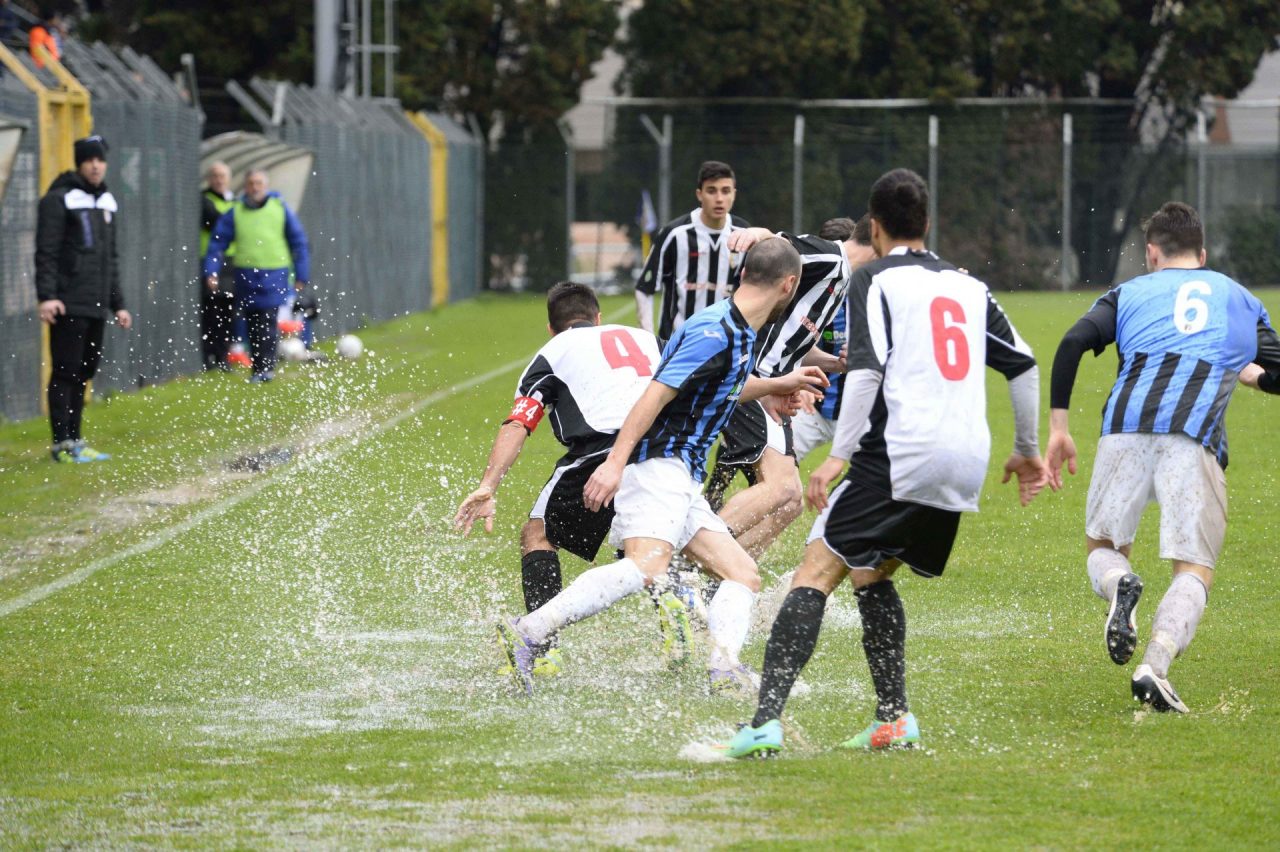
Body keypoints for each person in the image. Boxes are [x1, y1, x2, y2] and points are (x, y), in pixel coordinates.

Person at [721, 169, 1048, 758]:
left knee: (814, 572)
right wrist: (1026, 449)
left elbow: (868, 370)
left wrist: (837, 456)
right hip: (965, 461)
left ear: (873, 225)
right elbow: (1023, 364)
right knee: (870, 572)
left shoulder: (872, 277)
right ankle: (893, 718)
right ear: (927, 223)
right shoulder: (969, 287)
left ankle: (763, 723)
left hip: (902, 452)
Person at [495, 238, 828, 696]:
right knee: (644, 568)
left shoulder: (735, 328)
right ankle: (528, 633)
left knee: (741, 574)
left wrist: (778, 387)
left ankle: (725, 668)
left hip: (682, 475)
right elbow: (654, 394)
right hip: (659, 468)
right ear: (790, 285)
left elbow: (721, 387)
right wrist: (614, 464)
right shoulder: (715, 330)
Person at [1045, 201, 1280, 713]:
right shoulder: (1237, 298)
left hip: (1122, 432)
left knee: (1102, 546)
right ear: (1203, 253)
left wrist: (1059, 426)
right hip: (1193, 439)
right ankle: (1155, 663)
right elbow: (1279, 373)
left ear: (1151, 254)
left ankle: (1118, 585)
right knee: (1193, 569)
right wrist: (1256, 376)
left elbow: (1071, 343)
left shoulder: (1128, 291)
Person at [454, 282, 663, 676]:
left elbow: (520, 421)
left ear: (551, 328)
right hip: (665, 452)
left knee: (537, 534)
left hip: (601, 454)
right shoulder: (648, 338)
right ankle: (677, 608)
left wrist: (489, 485)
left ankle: (542, 649)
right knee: (649, 548)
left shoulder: (552, 352)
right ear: (599, 317)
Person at [705, 215, 878, 561]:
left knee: (791, 503)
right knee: (782, 487)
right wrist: (759, 232)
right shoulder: (830, 257)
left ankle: (722, 574)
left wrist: (837, 362)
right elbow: (781, 248)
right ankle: (692, 553)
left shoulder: (843, 281)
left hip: (773, 389)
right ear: (879, 236)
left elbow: (796, 343)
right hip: (750, 377)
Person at [35, 135, 132, 463]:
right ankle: (61, 444)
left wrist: (118, 303)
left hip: (95, 303)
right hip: (68, 300)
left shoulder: (105, 203)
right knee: (66, 370)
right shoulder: (59, 199)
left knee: (85, 372)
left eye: (100, 159)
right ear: (80, 162)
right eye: (89, 159)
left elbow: (111, 259)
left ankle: (76, 440)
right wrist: (47, 296)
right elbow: (46, 252)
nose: (96, 165)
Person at [202, 169, 309, 383]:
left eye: (259, 183)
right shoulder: (236, 211)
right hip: (246, 274)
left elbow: (298, 242)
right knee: (252, 320)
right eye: (251, 183)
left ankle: (265, 367)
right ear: (246, 186)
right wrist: (211, 270)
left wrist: (301, 274)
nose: (255, 187)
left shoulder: (279, 209)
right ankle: (258, 367)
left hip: (275, 272)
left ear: (266, 185)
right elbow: (217, 242)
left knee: (268, 319)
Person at [635, 160, 750, 342]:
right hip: (678, 343)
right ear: (699, 194)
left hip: (725, 344)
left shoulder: (744, 234)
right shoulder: (674, 233)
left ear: (734, 194)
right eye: (711, 191)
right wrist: (648, 339)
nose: (719, 198)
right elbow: (644, 288)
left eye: (725, 191)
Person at [199, 162, 237, 371]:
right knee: (211, 310)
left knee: (228, 311)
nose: (219, 180)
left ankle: (224, 356)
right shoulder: (205, 200)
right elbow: (216, 222)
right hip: (210, 259)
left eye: (222, 176)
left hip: (231, 261)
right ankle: (209, 357)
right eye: (214, 175)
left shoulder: (235, 201)